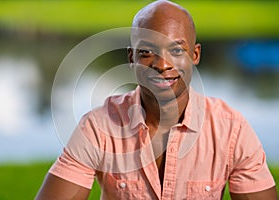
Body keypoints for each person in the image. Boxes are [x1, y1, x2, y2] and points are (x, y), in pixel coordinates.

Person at [36, 1, 278, 199]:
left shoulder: (231, 130)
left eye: (176, 51)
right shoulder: (99, 127)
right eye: (147, 52)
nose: (162, 65)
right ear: (131, 58)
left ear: (195, 55)